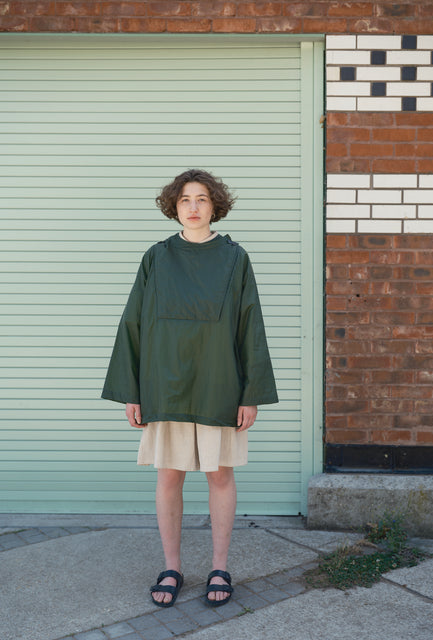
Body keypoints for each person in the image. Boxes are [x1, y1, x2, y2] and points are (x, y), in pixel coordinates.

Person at [101, 169, 278, 608]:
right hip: (165, 383)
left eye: (201, 198)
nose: (193, 207)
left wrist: (251, 393)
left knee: (220, 475)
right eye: (184, 199)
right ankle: (172, 567)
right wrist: (132, 390)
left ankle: (220, 567)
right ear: (173, 206)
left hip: (219, 381)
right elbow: (133, 323)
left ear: (215, 205)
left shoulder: (235, 258)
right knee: (169, 475)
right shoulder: (157, 257)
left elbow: (250, 325)